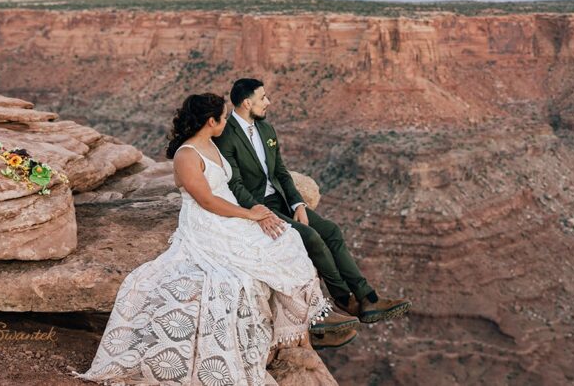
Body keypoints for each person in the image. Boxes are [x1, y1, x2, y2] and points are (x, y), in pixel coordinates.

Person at [74, 93, 356, 385]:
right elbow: (207, 200)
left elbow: (234, 182)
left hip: (230, 214)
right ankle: (309, 321)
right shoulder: (187, 155)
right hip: (206, 224)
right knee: (242, 272)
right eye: (223, 117)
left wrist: (259, 205)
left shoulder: (212, 144)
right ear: (211, 121)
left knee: (287, 240)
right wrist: (249, 215)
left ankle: (310, 317)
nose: (227, 121)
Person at [216, 78, 411, 329]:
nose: (268, 102)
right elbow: (236, 184)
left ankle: (369, 298)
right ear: (246, 102)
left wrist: (298, 204)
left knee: (331, 231)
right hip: (257, 206)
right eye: (263, 98)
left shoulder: (266, 129)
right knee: (310, 237)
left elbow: (282, 172)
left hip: (281, 199)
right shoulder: (226, 135)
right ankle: (345, 299)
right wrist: (260, 213)